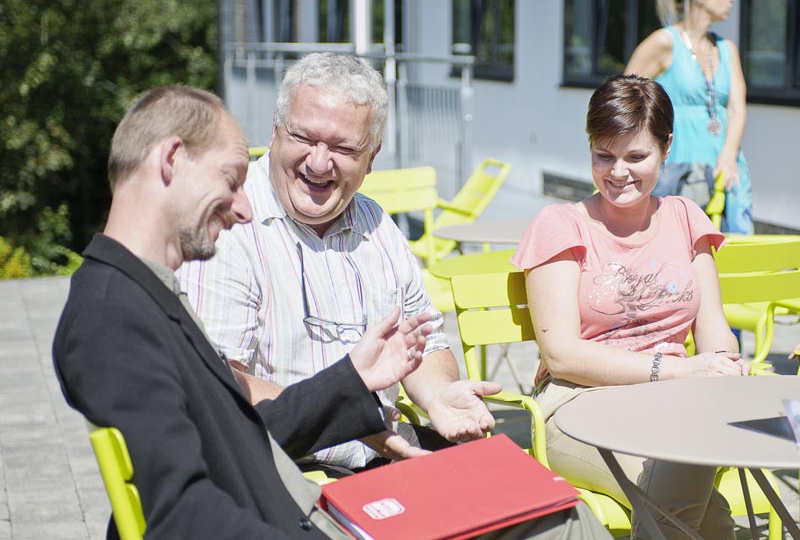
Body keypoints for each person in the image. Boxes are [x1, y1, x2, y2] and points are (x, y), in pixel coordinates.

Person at [53, 84, 611, 540]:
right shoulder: (113, 315)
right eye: (232, 179)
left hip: (321, 503)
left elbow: (240, 428)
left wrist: (353, 383)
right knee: (565, 523)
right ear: (172, 160)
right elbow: (179, 511)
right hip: (305, 512)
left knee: (553, 504)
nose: (244, 208)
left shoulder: (138, 295)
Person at [177, 52, 499, 476]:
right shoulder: (229, 226)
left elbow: (426, 344)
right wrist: (347, 416)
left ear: (372, 157)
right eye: (304, 138)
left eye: (343, 147)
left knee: (514, 490)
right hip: (280, 466)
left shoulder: (377, 225)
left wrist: (438, 395)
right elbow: (220, 384)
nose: (318, 162)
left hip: (380, 454)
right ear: (274, 132)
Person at [511, 74, 750, 540]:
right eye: (604, 155)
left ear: (666, 147)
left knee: (698, 503)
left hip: (677, 403)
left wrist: (722, 365)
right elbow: (562, 356)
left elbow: (714, 329)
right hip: (579, 403)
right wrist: (680, 370)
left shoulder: (685, 216)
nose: (617, 172)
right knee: (680, 490)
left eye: (636, 157)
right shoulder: (561, 225)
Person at [625, 0, 753, 234]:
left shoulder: (727, 49)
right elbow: (623, 102)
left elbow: (737, 108)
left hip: (725, 169)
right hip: (677, 171)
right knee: (676, 245)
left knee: (731, 251)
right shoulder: (663, 43)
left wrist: (729, 154)